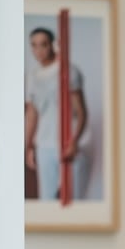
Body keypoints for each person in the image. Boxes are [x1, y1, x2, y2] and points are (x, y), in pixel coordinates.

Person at [24, 26, 91, 201]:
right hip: (44, 146)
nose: (38, 50)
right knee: (47, 199)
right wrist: (28, 145)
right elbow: (32, 114)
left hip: (67, 144)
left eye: (43, 44)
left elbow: (81, 111)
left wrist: (74, 140)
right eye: (34, 45)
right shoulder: (33, 76)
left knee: (72, 200)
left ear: (52, 45)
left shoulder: (68, 71)